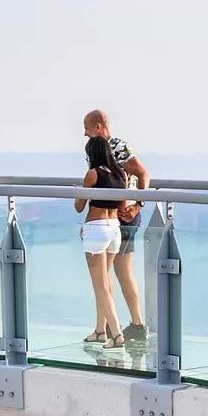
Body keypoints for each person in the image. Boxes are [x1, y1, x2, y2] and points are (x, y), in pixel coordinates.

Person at [84, 111, 152, 342]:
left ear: (98, 126)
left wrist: (137, 205)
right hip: (117, 219)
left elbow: (143, 174)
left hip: (120, 218)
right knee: (118, 274)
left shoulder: (116, 146)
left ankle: (111, 329)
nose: (84, 133)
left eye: (87, 127)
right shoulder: (102, 149)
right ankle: (128, 325)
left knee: (110, 275)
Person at [76, 135, 127, 348]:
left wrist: (80, 190)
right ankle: (100, 331)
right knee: (105, 282)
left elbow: (79, 207)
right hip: (115, 229)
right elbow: (123, 207)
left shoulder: (92, 174)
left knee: (100, 287)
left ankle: (116, 334)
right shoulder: (121, 175)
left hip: (96, 230)